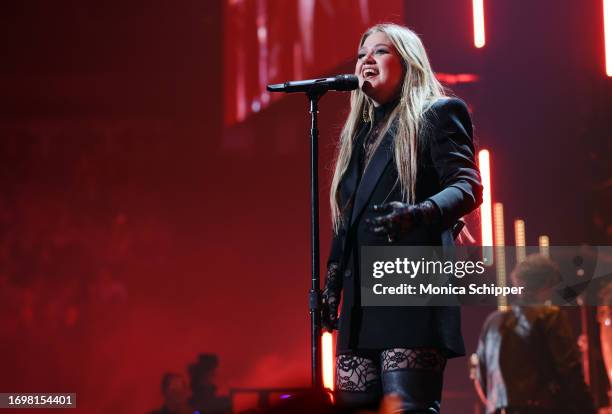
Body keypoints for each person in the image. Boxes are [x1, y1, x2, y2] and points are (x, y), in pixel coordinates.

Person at [320, 23, 483, 413]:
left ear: (408, 63)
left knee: (408, 406)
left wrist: (420, 213)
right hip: (359, 299)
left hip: (409, 285)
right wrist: (330, 285)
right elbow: (348, 222)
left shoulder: (438, 114)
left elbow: (467, 185)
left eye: (380, 52)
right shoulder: (357, 138)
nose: (366, 61)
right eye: (362, 55)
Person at [474, 254, 596, 414]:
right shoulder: (550, 316)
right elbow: (569, 371)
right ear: (547, 283)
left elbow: (481, 377)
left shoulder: (492, 322)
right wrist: (587, 407)